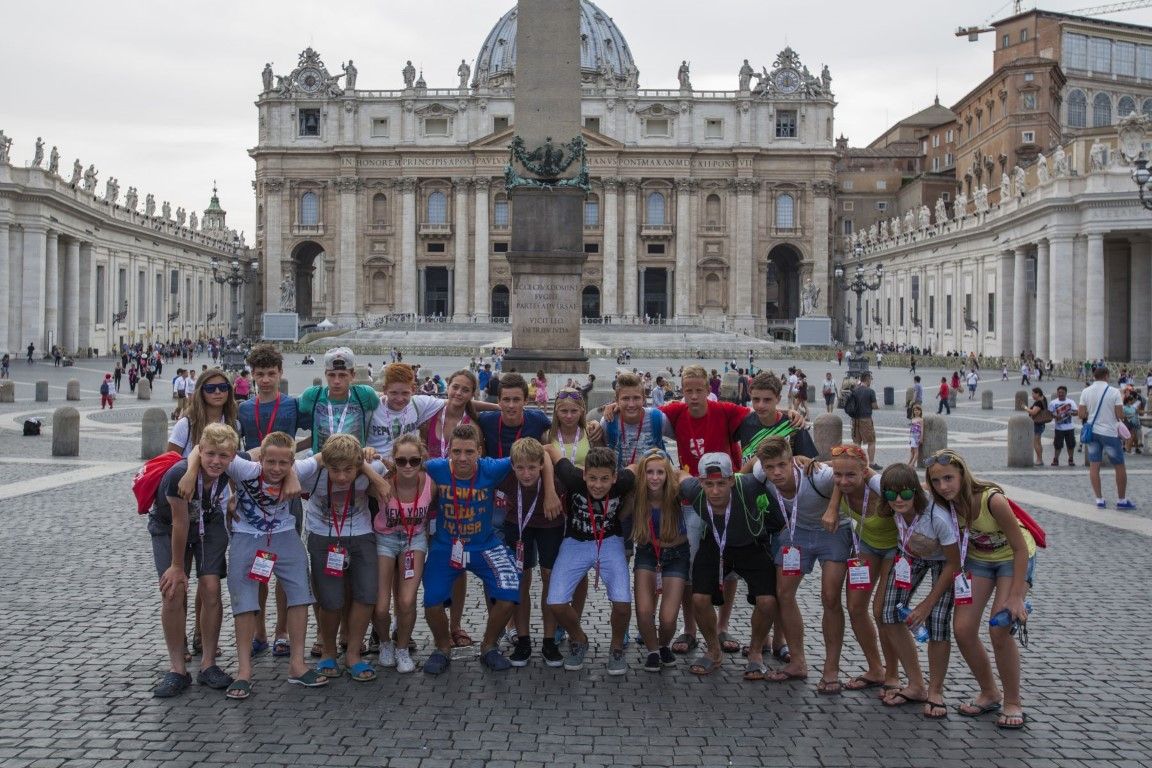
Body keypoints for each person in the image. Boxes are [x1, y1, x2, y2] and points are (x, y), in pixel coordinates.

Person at [182, 431, 321, 697]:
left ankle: (297, 665)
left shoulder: (297, 469)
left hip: (285, 535)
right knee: (244, 601)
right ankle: (244, 671)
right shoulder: (244, 468)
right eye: (271, 462)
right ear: (260, 459)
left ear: (292, 461)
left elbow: (324, 455)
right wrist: (190, 473)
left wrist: (293, 474)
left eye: (284, 464)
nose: (276, 469)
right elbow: (201, 449)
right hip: (246, 537)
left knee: (301, 595)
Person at [422, 424, 556, 674]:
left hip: (485, 544)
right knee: (431, 601)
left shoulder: (491, 468)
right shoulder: (437, 468)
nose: (462, 458)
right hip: (446, 546)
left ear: (480, 452)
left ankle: (489, 646)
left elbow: (544, 452)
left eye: (469, 452)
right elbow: (399, 463)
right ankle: (442, 648)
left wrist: (549, 490)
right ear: (448, 451)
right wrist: (370, 459)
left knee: (509, 593)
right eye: (457, 451)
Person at [925, 449, 1035, 729]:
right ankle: (989, 692)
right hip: (980, 559)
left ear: (963, 474)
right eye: (936, 481)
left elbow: (1021, 548)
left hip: (1013, 558)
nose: (943, 486)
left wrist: (1015, 596)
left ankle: (1013, 701)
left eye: (949, 478)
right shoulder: (943, 502)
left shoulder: (991, 499)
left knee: (999, 629)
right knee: (963, 629)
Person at [148, 423, 237, 697]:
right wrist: (176, 566)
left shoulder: (231, 466)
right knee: (173, 591)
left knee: (211, 588)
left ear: (233, 456)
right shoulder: (179, 475)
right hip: (169, 527)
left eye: (223, 456)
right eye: (210, 454)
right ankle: (177, 669)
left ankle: (209, 663)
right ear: (200, 451)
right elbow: (179, 522)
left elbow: (266, 456)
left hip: (208, 523)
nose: (216, 461)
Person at [752, 437, 845, 690]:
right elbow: (748, 469)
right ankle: (798, 662)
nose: (776, 472)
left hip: (833, 530)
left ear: (792, 459)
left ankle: (831, 669)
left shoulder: (817, 475)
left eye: (782, 464)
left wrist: (834, 508)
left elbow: (842, 473)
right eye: (770, 467)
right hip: (796, 533)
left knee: (830, 597)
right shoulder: (761, 470)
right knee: (783, 593)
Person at [683, 452, 783, 678]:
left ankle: (756, 652)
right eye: (709, 484)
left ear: (732, 479)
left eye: (721, 483)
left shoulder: (749, 485)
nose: (715, 491)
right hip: (715, 544)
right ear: (700, 482)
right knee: (699, 598)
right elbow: (676, 475)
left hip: (752, 543)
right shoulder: (692, 490)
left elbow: (772, 463)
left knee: (767, 601)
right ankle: (713, 650)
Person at [299, 434, 391, 682]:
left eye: (349, 470)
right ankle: (328, 652)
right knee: (331, 599)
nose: (341, 477)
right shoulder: (312, 471)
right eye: (335, 470)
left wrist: (368, 468)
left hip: (361, 535)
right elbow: (277, 465)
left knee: (366, 594)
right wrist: (318, 458)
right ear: (325, 464)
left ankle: (353, 654)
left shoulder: (371, 467)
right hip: (323, 537)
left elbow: (401, 467)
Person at [876, 462, 961, 720]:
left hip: (946, 562)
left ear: (916, 491)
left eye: (905, 493)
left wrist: (926, 604)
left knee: (937, 622)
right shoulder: (892, 506)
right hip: (910, 554)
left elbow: (955, 564)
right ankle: (915, 685)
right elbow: (861, 471)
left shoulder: (937, 517)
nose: (898, 500)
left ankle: (935, 691)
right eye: (891, 495)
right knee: (888, 613)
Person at [543, 444, 636, 674]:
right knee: (555, 602)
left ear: (615, 477)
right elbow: (548, 449)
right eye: (592, 478)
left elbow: (639, 466)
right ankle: (579, 639)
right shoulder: (573, 477)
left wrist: (634, 497)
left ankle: (616, 648)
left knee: (623, 603)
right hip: (575, 542)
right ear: (583, 474)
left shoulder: (624, 480)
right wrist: (549, 490)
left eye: (605, 479)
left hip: (610, 541)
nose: (597, 485)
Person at [236, 344, 304, 658]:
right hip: (253, 495)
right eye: (259, 374)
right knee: (256, 566)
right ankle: (260, 630)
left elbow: (317, 434)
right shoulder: (243, 410)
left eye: (271, 374)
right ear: (252, 376)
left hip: (287, 493)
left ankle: (282, 631)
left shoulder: (292, 405)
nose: (265, 380)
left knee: (285, 567)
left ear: (280, 374)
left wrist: (292, 465)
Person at [821, 444, 899, 694]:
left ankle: (893, 675)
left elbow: (913, 498)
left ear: (864, 472)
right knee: (855, 607)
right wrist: (832, 506)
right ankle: (875, 669)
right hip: (866, 543)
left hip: (895, 548)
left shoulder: (879, 486)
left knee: (881, 611)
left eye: (850, 475)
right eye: (838, 474)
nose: (843, 481)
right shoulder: (841, 484)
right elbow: (820, 472)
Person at [499, 437, 566, 667]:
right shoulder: (505, 476)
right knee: (521, 580)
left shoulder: (556, 480)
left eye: (531, 467)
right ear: (513, 466)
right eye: (520, 468)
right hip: (516, 526)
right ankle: (523, 639)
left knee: (549, 577)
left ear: (541, 465)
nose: (526, 474)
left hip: (550, 525)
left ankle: (549, 640)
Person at [374, 434, 433, 674]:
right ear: (393, 461)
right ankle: (384, 643)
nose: (407, 466)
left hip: (414, 540)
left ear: (422, 460)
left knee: (407, 600)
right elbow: (351, 468)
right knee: (379, 606)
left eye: (414, 460)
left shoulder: (430, 482)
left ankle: (402, 648)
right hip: (384, 540)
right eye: (401, 461)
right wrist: (373, 469)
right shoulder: (381, 482)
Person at [631, 450, 692, 673]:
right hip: (648, 553)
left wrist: (681, 475)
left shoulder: (677, 494)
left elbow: (689, 480)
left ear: (668, 474)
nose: (655, 477)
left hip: (677, 554)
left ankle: (664, 643)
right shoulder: (637, 496)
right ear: (642, 474)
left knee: (668, 618)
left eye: (660, 472)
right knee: (644, 611)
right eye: (649, 472)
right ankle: (653, 650)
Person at [298, 348, 380, 453]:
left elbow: (383, 407)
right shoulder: (312, 395)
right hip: (321, 462)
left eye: (343, 375)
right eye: (332, 375)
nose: (336, 381)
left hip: (354, 462)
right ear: (325, 374)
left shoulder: (364, 394)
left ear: (352, 375)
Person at [1078, 367, 1134, 509]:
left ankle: (1099, 499)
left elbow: (1081, 414)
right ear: (1107, 376)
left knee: (1094, 465)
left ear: (1094, 376)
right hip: (1109, 432)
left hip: (1092, 433)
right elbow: (1120, 415)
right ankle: (1121, 500)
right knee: (1119, 466)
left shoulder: (1086, 391)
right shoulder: (1114, 391)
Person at [167, 370, 238, 458]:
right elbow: (169, 462)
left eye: (223, 387)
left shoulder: (235, 424)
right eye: (210, 388)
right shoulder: (186, 424)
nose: (217, 391)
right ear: (201, 392)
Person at [848, 373, 880, 470]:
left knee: (857, 441)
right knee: (871, 441)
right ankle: (871, 463)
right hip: (866, 419)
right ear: (867, 379)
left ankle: (857, 462)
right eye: (870, 379)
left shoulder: (855, 390)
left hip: (855, 420)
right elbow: (874, 406)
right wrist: (877, 407)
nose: (871, 381)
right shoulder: (870, 391)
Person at [1048, 385, 1077, 466]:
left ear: (1066, 393)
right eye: (1059, 392)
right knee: (1057, 445)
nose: (1060, 394)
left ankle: (1071, 459)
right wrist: (1055, 416)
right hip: (1059, 428)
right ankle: (1056, 459)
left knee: (1071, 445)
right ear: (1057, 393)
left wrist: (1070, 413)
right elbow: (1049, 414)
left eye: (1062, 393)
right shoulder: (1053, 403)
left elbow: (1076, 412)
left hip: (1070, 427)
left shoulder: (1071, 402)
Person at [1027, 388, 1049, 465]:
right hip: (1041, 423)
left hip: (1037, 423)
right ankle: (1040, 459)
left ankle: (1039, 460)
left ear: (1038, 393)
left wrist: (1026, 408)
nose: (1032, 395)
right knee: (1038, 442)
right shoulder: (1044, 399)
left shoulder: (1039, 403)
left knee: (1036, 443)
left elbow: (1033, 412)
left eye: (1033, 393)